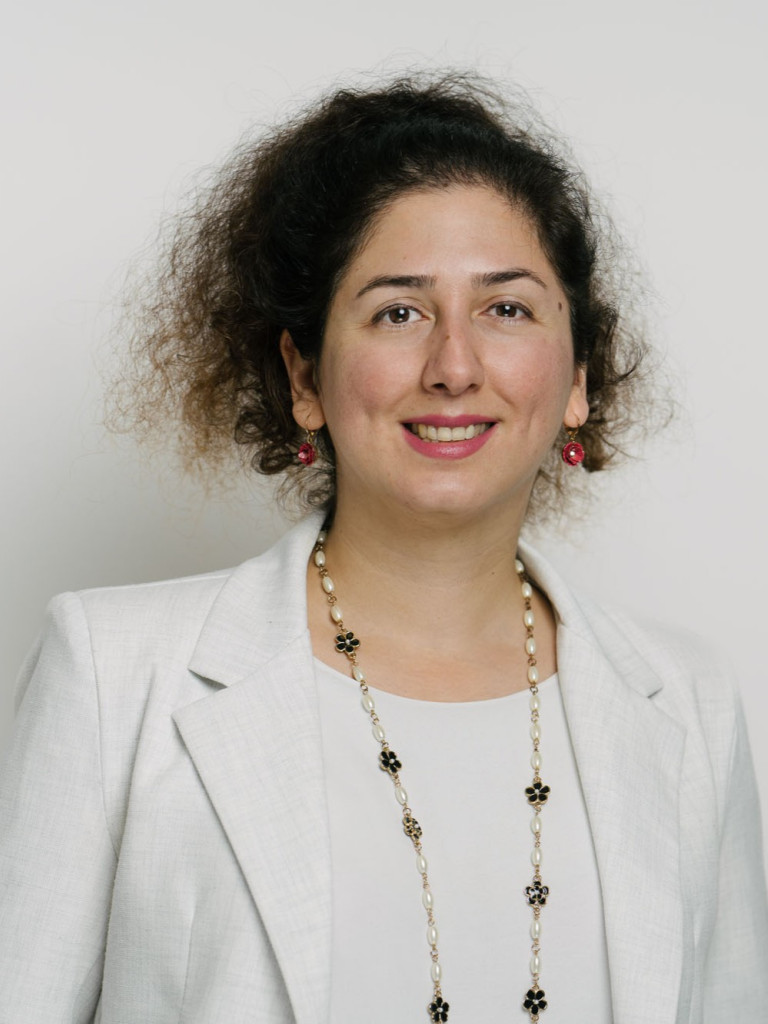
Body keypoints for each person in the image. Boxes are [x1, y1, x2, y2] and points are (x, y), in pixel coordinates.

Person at [1, 72, 766, 1024]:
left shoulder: (689, 703)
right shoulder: (113, 676)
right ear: (304, 377)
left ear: (579, 376)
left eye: (507, 308)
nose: (454, 366)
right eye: (398, 311)